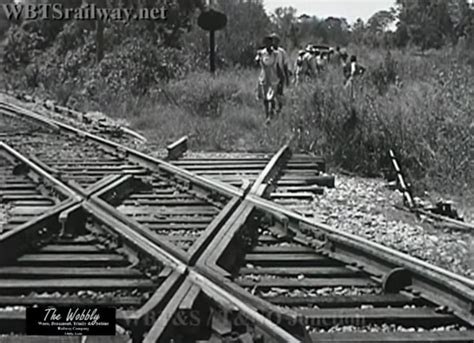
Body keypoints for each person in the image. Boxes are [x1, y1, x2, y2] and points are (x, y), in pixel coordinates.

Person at [255, 35, 280, 123]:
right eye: (266, 43)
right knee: (265, 97)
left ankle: (271, 114)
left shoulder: (276, 54)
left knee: (272, 97)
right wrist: (258, 59)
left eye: (269, 42)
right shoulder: (261, 53)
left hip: (273, 77)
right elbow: (257, 62)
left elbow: (278, 66)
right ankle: (266, 114)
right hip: (264, 77)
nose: (268, 44)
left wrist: (281, 77)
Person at [270, 33, 290, 113]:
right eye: (273, 40)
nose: (274, 42)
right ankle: (272, 108)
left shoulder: (282, 52)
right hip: (270, 75)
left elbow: (285, 65)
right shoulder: (267, 51)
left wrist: (286, 77)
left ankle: (280, 109)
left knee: (279, 93)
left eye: (276, 40)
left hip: (279, 75)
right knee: (270, 94)